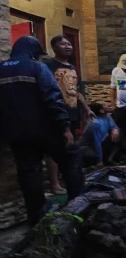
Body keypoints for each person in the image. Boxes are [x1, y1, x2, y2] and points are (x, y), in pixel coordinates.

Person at [0, 36, 84, 225]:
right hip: (45, 129)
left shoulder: (1, 68)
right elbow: (53, 98)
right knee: (71, 158)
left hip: (16, 133)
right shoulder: (37, 67)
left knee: (29, 172)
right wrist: (65, 127)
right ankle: (78, 207)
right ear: (33, 52)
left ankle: (37, 217)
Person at [45, 34, 92, 194]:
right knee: (54, 150)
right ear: (54, 47)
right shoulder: (48, 66)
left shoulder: (72, 67)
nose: (68, 46)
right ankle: (55, 183)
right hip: (56, 114)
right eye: (63, 44)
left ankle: (69, 179)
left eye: (69, 44)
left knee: (69, 147)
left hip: (72, 114)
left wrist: (86, 109)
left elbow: (77, 92)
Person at [78, 102, 120, 167]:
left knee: (118, 137)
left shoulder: (107, 116)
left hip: (101, 142)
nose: (108, 105)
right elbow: (96, 143)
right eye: (105, 105)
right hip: (87, 147)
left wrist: (115, 129)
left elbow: (114, 126)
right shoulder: (95, 123)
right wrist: (99, 161)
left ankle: (109, 159)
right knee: (93, 156)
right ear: (101, 110)